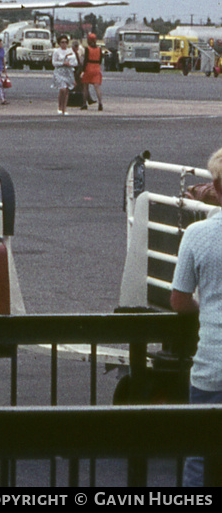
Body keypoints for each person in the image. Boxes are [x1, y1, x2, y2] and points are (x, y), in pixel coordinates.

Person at [171, 146, 222, 487]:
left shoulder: (198, 234)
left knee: (199, 460)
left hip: (213, 365)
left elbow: (179, 300)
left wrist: (207, 311)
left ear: (216, 188)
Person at [52, 34, 77, 115]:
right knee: (62, 88)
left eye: (66, 42)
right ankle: (59, 106)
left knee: (66, 90)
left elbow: (75, 62)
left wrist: (70, 64)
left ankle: (64, 108)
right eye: (62, 42)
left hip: (68, 72)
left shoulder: (70, 51)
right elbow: (54, 63)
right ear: (59, 43)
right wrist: (63, 63)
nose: (64, 44)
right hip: (59, 72)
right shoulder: (56, 51)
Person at [81, 32, 105, 111]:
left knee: (85, 86)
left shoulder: (87, 49)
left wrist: (82, 70)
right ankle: (100, 103)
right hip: (97, 68)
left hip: (89, 67)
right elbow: (100, 60)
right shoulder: (99, 49)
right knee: (97, 87)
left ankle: (84, 103)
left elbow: (85, 60)